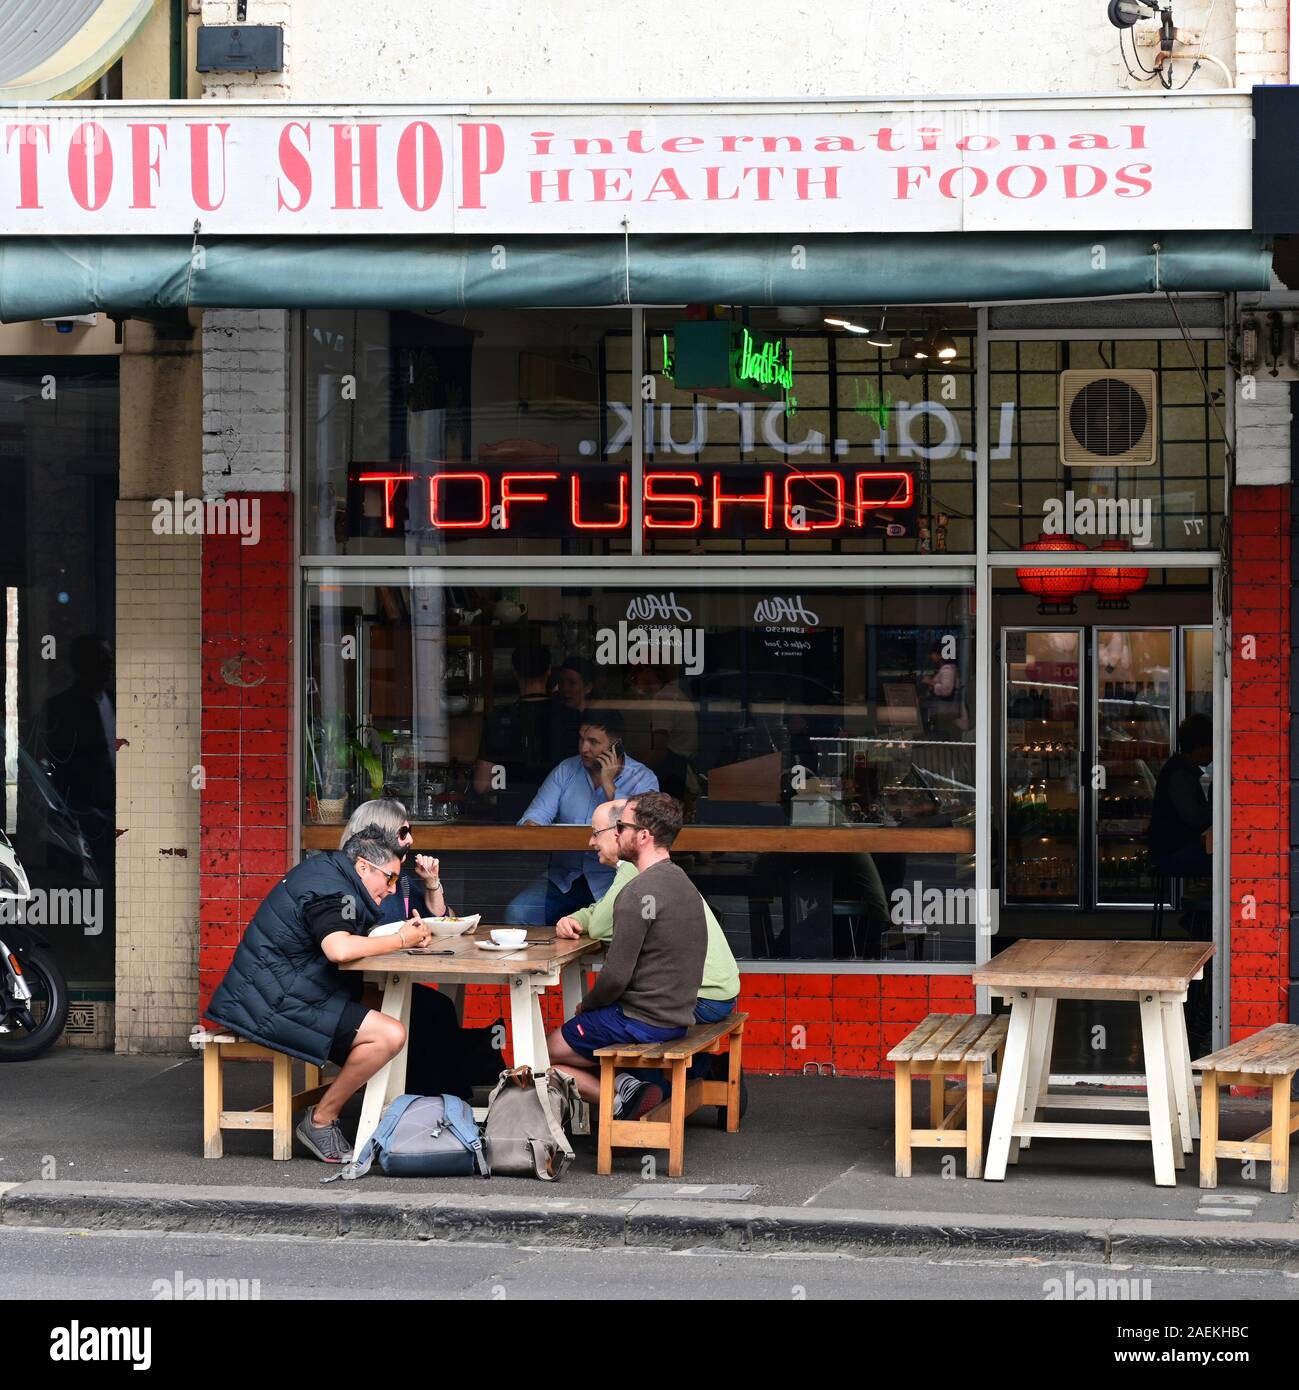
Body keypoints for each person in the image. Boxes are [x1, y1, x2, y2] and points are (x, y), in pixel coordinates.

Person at [205, 829, 433, 1163]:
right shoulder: (332, 890)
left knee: (404, 1006)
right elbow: (338, 949)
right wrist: (401, 940)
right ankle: (321, 1119)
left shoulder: (330, 872)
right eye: (389, 877)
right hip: (275, 1001)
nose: (391, 888)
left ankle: (396, 1108)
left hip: (286, 989)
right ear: (363, 866)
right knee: (390, 1034)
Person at [546, 792, 707, 1119]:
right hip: (675, 1019)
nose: (615, 832)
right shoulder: (682, 882)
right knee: (576, 1036)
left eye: (621, 826)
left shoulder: (636, 892)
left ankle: (617, 1101)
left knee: (542, 1050)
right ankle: (627, 1085)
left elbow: (617, 976)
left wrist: (587, 1006)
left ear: (644, 836)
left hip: (641, 1020)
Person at [556, 799, 739, 1024]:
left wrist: (585, 922)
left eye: (596, 832)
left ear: (618, 832)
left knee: (590, 1023)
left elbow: (600, 927)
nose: (591, 841)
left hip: (700, 997)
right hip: (717, 993)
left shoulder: (636, 871)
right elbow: (606, 908)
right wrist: (575, 918)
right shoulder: (645, 869)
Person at [505, 708, 658, 924]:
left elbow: (640, 832)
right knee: (518, 913)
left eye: (593, 742)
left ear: (616, 745)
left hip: (612, 882)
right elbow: (533, 821)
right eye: (581, 739)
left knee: (622, 924)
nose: (584, 748)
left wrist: (608, 784)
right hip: (563, 879)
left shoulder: (642, 778)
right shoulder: (566, 770)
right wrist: (534, 827)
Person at [473, 641, 565, 816]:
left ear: (515, 673)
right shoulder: (567, 716)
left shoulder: (499, 719)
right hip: (560, 818)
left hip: (512, 813)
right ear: (549, 671)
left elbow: (481, 784)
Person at [339, 798, 447, 925]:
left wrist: (432, 882)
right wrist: (402, 938)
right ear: (375, 836)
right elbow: (345, 940)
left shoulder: (399, 880)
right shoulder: (341, 882)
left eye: (409, 831)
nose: (410, 840)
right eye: (403, 833)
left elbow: (438, 921)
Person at [1148, 713, 1213, 880]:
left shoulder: (1179, 770)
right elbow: (1194, 817)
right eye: (1211, 746)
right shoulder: (1180, 775)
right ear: (1199, 747)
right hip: (1173, 853)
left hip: (1171, 850)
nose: (1213, 752)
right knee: (1225, 860)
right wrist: (1217, 807)